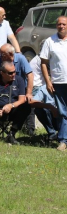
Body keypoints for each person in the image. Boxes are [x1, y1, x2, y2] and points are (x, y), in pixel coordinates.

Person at [40, 16, 67, 151]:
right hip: (58, 81)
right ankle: (63, 141)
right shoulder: (50, 41)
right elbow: (43, 63)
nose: (61, 26)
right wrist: (48, 80)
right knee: (62, 112)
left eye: (64, 24)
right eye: (59, 24)